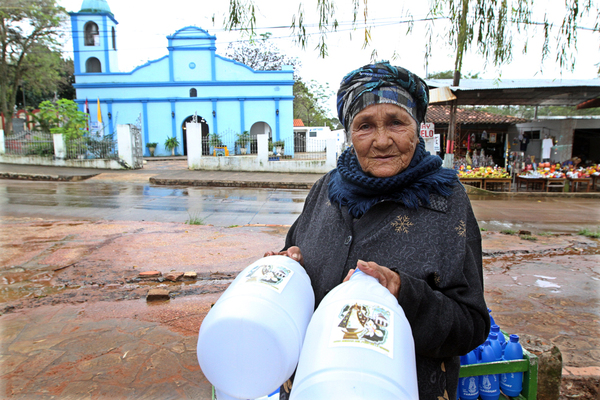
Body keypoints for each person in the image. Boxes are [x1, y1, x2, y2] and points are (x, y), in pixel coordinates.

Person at [266, 62, 490, 399]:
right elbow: (296, 276)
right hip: (311, 388)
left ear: (417, 127)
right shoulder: (325, 190)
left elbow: (470, 325)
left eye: (396, 123)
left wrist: (404, 294)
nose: (382, 141)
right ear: (349, 132)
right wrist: (284, 272)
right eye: (365, 126)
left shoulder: (445, 201)